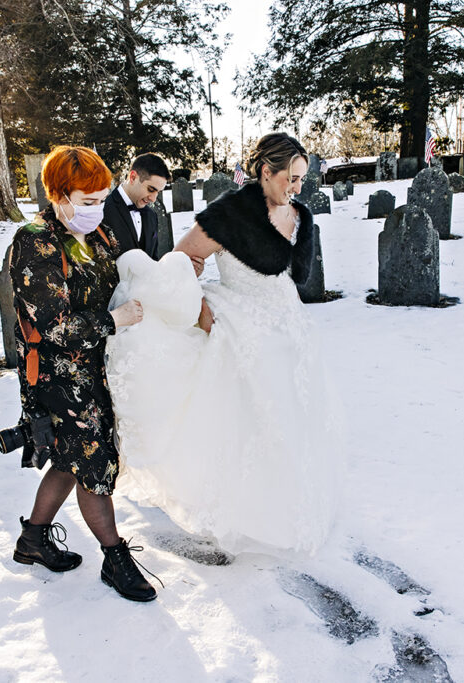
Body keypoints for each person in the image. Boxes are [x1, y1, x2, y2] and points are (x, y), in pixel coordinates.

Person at [105, 133, 342, 556]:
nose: (296, 187)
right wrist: (199, 308)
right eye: (290, 177)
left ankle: (289, 508)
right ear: (265, 172)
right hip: (243, 328)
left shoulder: (299, 215)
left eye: (302, 179)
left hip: (291, 329)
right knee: (251, 421)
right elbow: (180, 264)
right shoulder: (229, 215)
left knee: (295, 417)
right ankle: (249, 513)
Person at [7, 145, 160, 602]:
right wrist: (113, 322)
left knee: (69, 460)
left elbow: (124, 279)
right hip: (56, 376)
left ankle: (32, 540)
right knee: (93, 464)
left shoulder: (97, 237)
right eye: (87, 200)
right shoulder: (35, 240)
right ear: (58, 194)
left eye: (101, 199)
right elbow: (51, 325)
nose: (97, 210)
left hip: (95, 367)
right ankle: (115, 559)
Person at [102, 153, 171, 259]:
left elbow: (154, 259)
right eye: (151, 190)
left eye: (158, 192)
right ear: (133, 177)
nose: (153, 199)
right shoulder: (103, 210)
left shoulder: (151, 215)